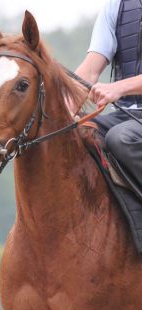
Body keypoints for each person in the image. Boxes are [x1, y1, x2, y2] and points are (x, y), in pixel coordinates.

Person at [75, 0, 142, 187]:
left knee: (121, 138)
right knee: (73, 133)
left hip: (127, 129)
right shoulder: (116, 6)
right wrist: (63, 107)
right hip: (126, 115)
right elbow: (90, 70)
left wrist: (119, 87)